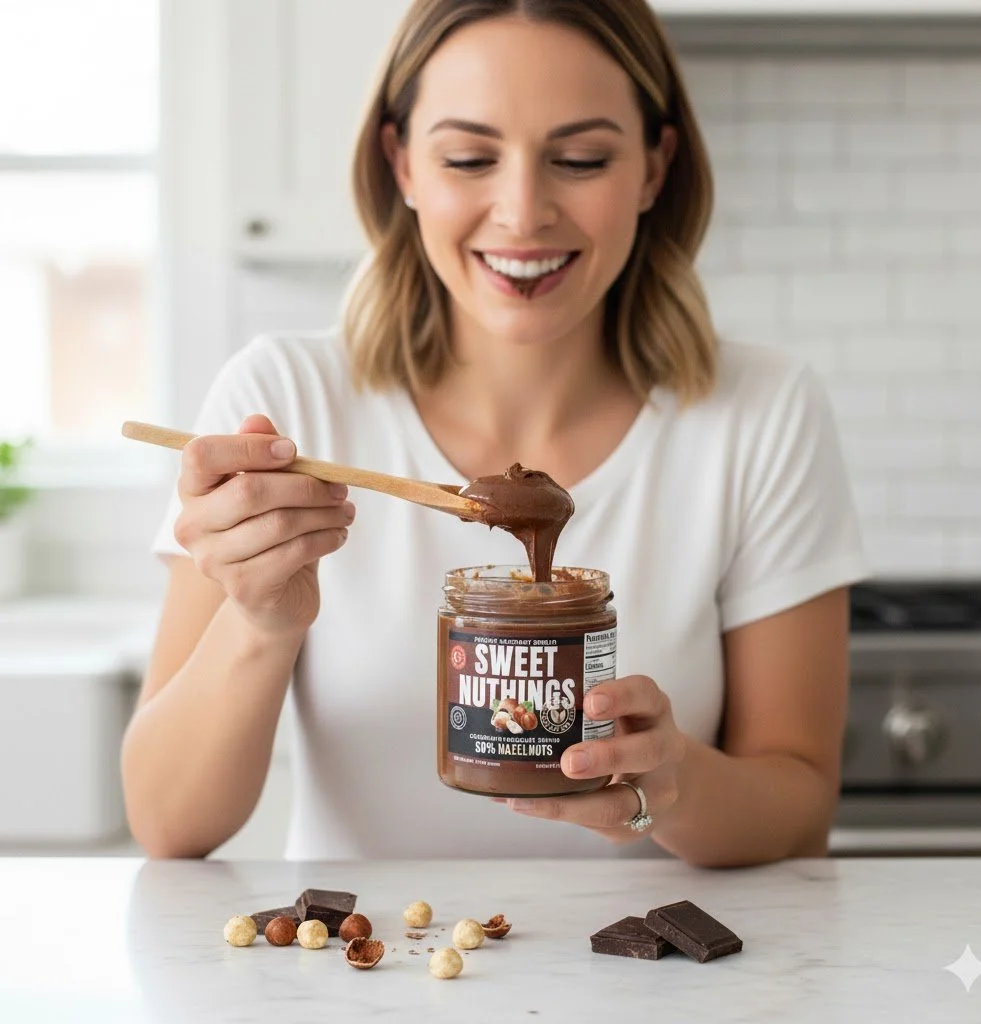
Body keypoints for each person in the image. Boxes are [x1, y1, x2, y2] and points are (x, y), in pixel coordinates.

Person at [122, 0, 870, 866]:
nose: (522, 213)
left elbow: (798, 806)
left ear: (656, 169)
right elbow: (170, 824)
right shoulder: (284, 398)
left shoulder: (762, 412)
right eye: (470, 157)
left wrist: (673, 785)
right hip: (369, 986)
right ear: (400, 161)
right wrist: (259, 624)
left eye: (581, 159)